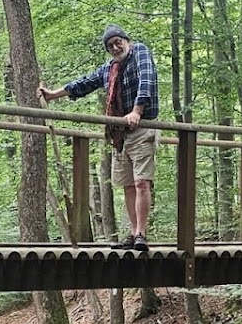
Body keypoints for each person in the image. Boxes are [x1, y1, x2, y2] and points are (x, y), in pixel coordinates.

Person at [37, 23, 159, 250]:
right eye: (110, 45)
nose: (114, 47)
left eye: (117, 42)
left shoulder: (140, 52)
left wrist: (136, 111)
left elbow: (147, 81)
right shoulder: (110, 69)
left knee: (142, 182)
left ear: (126, 40)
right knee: (128, 186)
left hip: (142, 128)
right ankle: (133, 234)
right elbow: (85, 83)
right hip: (119, 134)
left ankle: (142, 234)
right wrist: (54, 95)